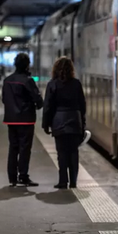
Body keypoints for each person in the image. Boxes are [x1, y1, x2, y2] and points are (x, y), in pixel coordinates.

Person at [42, 57, 86, 189]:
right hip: (74, 120)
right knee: (73, 152)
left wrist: (46, 124)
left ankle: (62, 181)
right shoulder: (76, 84)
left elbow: (48, 106)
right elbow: (82, 105)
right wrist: (82, 123)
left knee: (61, 152)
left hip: (58, 120)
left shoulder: (52, 84)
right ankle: (73, 182)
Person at [2, 53, 43, 187]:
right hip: (26, 119)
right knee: (25, 149)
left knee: (13, 148)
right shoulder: (27, 80)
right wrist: (37, 104)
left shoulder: (7, 80)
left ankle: (12, 177)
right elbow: (37, 99)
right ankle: (23, 176)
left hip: (11, 119)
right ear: (27, 65)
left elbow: (4, 99)